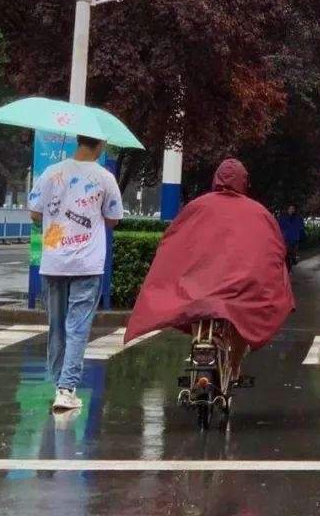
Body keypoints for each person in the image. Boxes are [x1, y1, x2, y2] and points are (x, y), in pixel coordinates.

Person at [124, 159, 295, 380]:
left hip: (199, 286)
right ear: (244, 182)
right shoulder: (259, 213)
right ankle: (233, 370)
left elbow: (173, 242)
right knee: (244, 321)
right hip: (238, 290)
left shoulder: (196, 207)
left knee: (196, 308)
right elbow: (273, 250)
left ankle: (199, 343)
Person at [28, 135, 123, 412]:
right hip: (87, 263)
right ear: (101, 145)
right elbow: (114, 219)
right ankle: (66, 388)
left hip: (54, 261)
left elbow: (34, 213)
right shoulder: (105, 178)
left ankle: (60, 384)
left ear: (78, 141)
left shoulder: (50, 172)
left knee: (56, 327)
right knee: (77, 328)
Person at [277, 204, 306, 271]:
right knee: (286, 254)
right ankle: (286, 268)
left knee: (293, 254)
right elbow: (278, 226)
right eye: (290, 208)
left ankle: (291, 264)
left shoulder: (297, 218)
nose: (292, 210)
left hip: (295, 239)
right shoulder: (282, 217)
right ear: (287, 209)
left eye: (293, 208)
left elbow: (301, 227)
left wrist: (300, 235)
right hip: (285, 239)